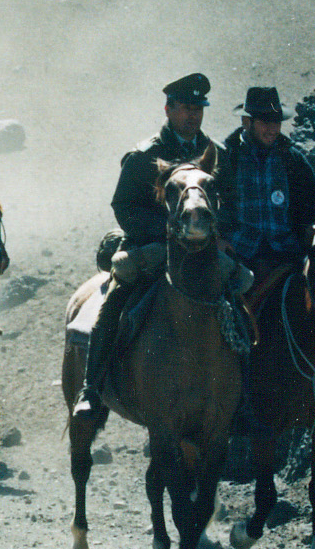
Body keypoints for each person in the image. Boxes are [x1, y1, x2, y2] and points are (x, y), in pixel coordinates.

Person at [73, 73, 224, 417]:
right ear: (169, 109)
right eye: (186, 108)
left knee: (242, 288)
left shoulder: (216, 154)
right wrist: (169, 230)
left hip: (202, 250)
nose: (193, 115)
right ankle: (91, 388)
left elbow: (229, 201)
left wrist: (217, 232)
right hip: (151, 247)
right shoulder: (145, 155)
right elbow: (123, 206)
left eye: (198, 108)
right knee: (118, 291)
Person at [220, 87, 315, 283]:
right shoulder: (226, 158)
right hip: (239, 253)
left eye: (276, 122)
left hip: (286, 254)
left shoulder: (293, 160)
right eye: (264, 122)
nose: (272, 129)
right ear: (246, 122)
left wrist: (313, 228)